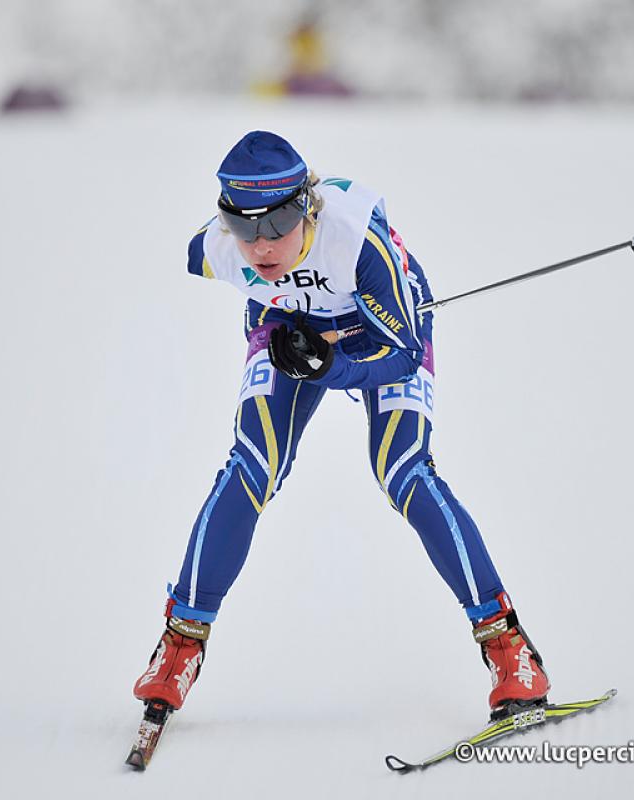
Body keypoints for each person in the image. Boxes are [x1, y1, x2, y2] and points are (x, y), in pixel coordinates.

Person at [132, 131, 549, 719]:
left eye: (276, 223)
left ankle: (508, 645)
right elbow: (216, 262)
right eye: (243, 225)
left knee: (401, 470)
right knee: (253, 464)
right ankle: (180, 645)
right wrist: (294, 340)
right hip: (289, 324)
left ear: (305, 206)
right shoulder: (217, 250)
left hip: (383, 328)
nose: (261, 245)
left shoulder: (356, 242)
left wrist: (334, 365)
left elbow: (401, 354)